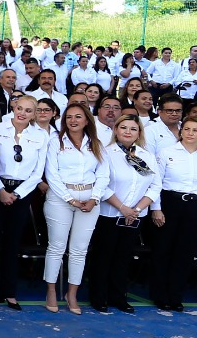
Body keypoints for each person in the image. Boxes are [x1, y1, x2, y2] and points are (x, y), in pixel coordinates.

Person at [86, 114, 161, 313]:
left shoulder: (146, 156)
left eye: (133, 129)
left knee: (123, 258)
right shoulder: (105, 153)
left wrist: (136, 210)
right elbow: (102, 185)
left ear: (139, 133)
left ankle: (118, 297)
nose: (128, 132)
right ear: (116, 130)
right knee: (103, 257)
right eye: (124, 127)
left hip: (135, 217)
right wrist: (123, 208)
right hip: (109, 214)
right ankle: (98, 297)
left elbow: (155, 186)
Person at [43, 102, 109, 314]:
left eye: (78, 116)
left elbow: (103, 174)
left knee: (79, 250)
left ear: (86, 120)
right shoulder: (56, 141)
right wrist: (69, 199)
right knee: (56, 247)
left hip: (89, 199)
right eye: (69, 117)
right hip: (60, 199)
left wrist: (94, 198)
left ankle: (72, 294)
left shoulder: (96, 143)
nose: (73, 120)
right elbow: (51, 174)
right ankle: (51, 290)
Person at [0, 95, 47, 311]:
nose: (23, 113)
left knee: (12, 244)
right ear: (13, 106)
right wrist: (1, 190)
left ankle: (9, 292)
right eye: (20, 108)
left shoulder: (41, 136)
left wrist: (17, 194)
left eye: (29, 110)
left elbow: (38, 172)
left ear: (35, 114)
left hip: (22, 192)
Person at [151, 117, 197, 311]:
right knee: (164, 250)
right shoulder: (166, 152)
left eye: (195, 130)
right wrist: (157, 209)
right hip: (170, 202)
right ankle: (161, 296)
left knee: (185, 253)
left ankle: (175, 296)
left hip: (194, 205)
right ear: (181, 131)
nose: (190, 133)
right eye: (186, 129)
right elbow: (156, 183)